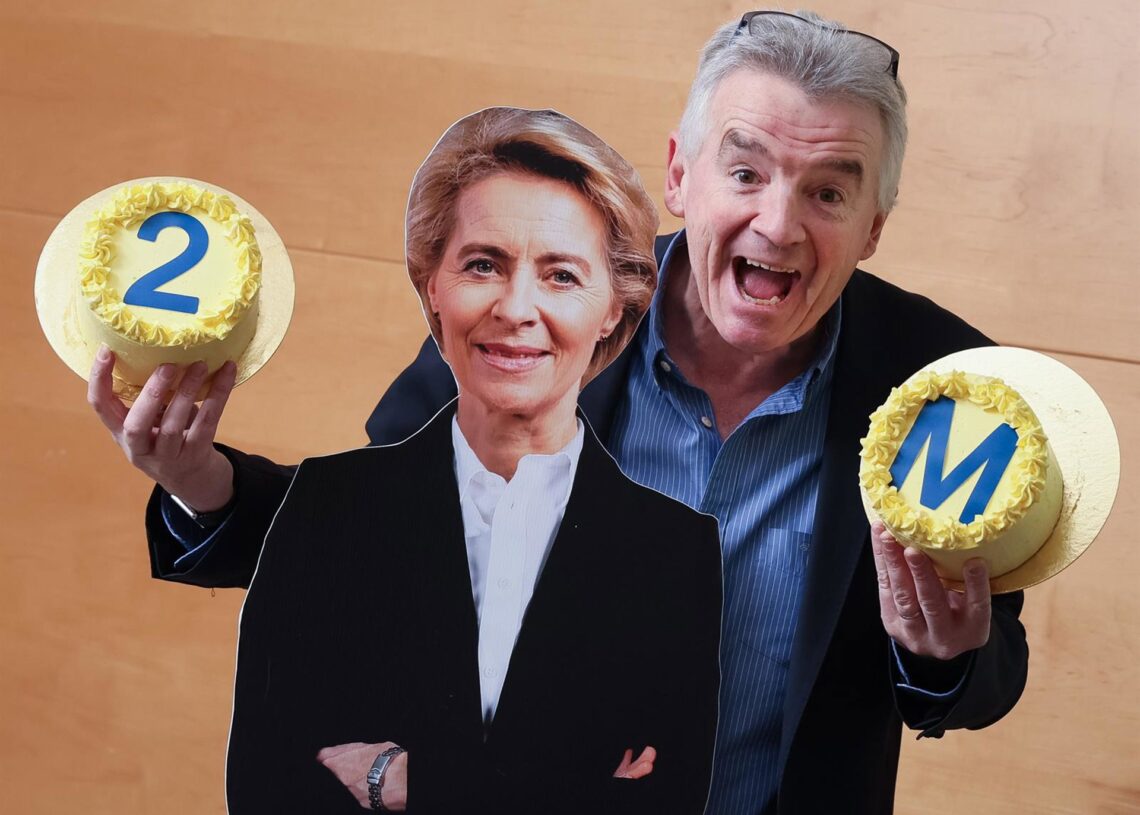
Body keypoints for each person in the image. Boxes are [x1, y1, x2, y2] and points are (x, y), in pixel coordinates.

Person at [91, 10, 1029, 815]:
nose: (778, 224)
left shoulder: (942, 382)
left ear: (872, 226)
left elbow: (989, 672)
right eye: (746, 173)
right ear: (679, 176)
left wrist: (946, 655)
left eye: (828, 190)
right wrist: (200, 485)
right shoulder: (544, 306)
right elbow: (365, 534)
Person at [89, 108, 722, 813]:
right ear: (432, 287)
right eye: (483, 265)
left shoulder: (675, 551)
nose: (516, 307)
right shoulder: (327, 508)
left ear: (616, 307)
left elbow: (659, 801)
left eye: (561, 276)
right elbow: (273, 789)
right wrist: (565, 780)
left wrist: (401, 777)